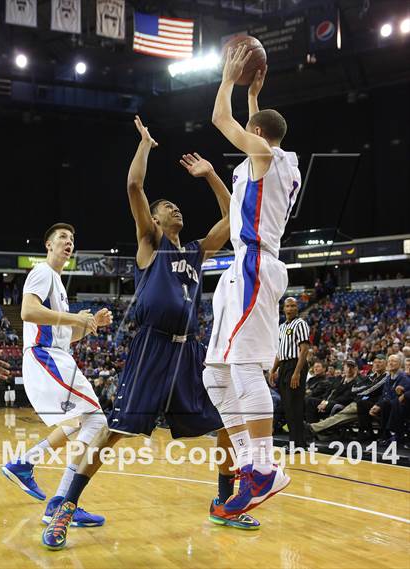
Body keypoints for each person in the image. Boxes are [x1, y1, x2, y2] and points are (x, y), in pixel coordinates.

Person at [42, 115, 259, 551]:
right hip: (152, 347)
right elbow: (134, 188)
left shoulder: (196, 251)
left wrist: (213, 175)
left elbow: (234, 218)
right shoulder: (151, 243)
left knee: (223, 424)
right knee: (116, 430)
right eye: (167, 207)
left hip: (189, 353)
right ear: (155, 220)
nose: (174, 208)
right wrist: (144, 145)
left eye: (177, 207)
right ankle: (64, 505)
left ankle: (222, 502)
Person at [202, 45, 300, 520]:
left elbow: (222, 119)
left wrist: (227, 78)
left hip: (254, 266)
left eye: (252, 128)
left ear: (258, 135)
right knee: (216, 374)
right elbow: (255, 132)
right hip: (243, 269)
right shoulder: (271, 157)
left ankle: (265, 468)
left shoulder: (263, 154)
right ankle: (248, 462)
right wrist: (255, 97)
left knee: (243, 368)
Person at [2, 223, 113, 528]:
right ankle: (60, 501)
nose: (69, 242)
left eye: (72, 239)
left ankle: (27, 466)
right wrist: (75, 317)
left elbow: (65, 335)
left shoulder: (59, 285)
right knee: (97, 421)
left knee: (83, 422)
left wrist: (91, 325)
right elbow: (27, 311)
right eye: (63, 237)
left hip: (55, 354)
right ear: (48, 245)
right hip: (44, 355)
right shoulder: (41, 272)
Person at [308, 354, 388, 439]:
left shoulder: (382, 376)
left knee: (340, 414)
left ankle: (312, 428)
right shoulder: (370, 376)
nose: (377, 364)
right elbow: (353, 389)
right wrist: (325, 401)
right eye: (375, 362)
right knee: (340, 416)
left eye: (380, 362)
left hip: (367, 404)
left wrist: (361, 389)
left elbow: (368, 390)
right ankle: (314, 429)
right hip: (357, 403)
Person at [270, 297, 310, 451]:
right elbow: (280, 353)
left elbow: (304, 349)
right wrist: (273, 370)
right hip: (284, 366)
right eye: (288, 306)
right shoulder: (281, 327)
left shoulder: (300, 323)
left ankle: (298, 444)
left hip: (296, 365)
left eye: (294, 306)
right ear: (284, 309)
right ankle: (295, 443)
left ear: (297, 308)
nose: (291, 308)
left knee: (295, 406)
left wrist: (297, 372)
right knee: (288, 406)